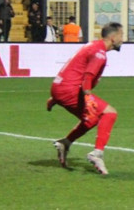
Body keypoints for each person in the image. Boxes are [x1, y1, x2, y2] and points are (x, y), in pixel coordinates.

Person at [47, 22, 124, 175]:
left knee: (92, 119)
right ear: (113, 38)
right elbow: (87, 78)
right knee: (109, 113)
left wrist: (57, 96)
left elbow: (77, 69)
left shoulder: (93, 46)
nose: (123, 39)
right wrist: (88, 98)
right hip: (69, 90)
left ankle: (65, 143)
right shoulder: (100, 53)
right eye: (122, 36)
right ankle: (97, 153)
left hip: (61, 88)